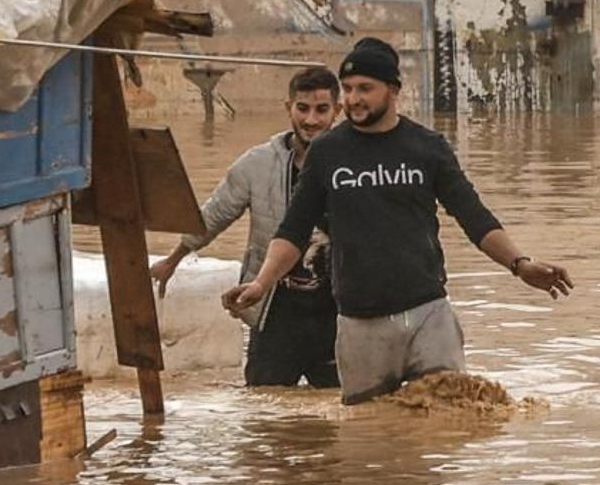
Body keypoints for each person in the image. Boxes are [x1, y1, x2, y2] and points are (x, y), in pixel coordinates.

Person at [222, 38, 573, 405]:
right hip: (360, 323)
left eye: (365, 89)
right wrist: (261, 284)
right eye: (349, 89)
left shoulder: (427, 147)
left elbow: (474, 217)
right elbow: (293, 231)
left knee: (450, 418)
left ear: (393, 90)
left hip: (428, 313)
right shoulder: (327, 152)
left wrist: (520, 265)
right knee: (369, 439)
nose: (354, 99)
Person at [150, 66, 343, 388]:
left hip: (338, 310)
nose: (311, 120)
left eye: (322, 110)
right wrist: (173, 260)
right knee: (264, 412)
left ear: (337, 110)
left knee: (344, 412)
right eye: (303, 108)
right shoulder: (258, 164)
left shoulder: (354, 164)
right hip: (274, 308)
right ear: (288, 108)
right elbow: (214, 215)